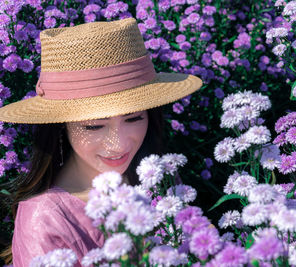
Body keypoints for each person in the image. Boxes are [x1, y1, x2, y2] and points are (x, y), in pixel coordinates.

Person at [0, 18, 202, 266]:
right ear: (61, 126)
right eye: (95, 126)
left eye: (134, 118)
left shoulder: (158, 178)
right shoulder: (44, 218)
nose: (118, 144)